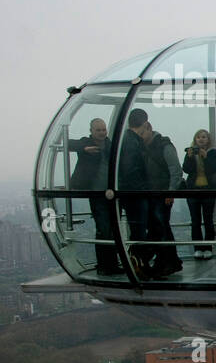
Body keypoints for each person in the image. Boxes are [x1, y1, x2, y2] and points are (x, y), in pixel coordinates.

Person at [70, 117, 123, 274]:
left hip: (112, 194)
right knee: (103, 229)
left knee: (113, 229)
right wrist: (84, 148)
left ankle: (112, 265)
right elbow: (70, 144)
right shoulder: (85, 142)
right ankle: (104, 266)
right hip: (97, 194)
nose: (101, 133)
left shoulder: (111, 145)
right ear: (91, 131)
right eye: (98, 130)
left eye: (103, 130)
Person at [142, 121, 183, 277]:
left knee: (161, 227)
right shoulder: (149, 147)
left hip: (162, 195)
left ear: (149, 129)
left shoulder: (165, 146)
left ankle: (168, 261)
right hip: (152, 195)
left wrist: (170, 192)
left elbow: (175, 170)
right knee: (159, 227)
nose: (141, 137)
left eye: (142, 134)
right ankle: (165, 260)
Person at [118, 107, 152, 269]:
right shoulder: (132, 142)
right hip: (135, 194)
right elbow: (130, 169)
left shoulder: (125, 139)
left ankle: (137, 261)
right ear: (145, 123)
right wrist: (143, 188)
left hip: (129, 193)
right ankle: (139, 262)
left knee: (138, 229)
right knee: (139, 229)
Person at [182, 128, 216, 259]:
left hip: (208, 191)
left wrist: (205, 157)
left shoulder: (213, 152)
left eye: (204, 137)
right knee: (195, 221)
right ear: (195, 139)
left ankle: (208, 248)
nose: (201, 139)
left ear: (208, 139)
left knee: (208, 220)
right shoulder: (191, 151)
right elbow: (186, 169)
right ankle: (198, 248)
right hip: (193, 191)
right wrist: (189, 157)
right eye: (198, 137)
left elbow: (214, 169)